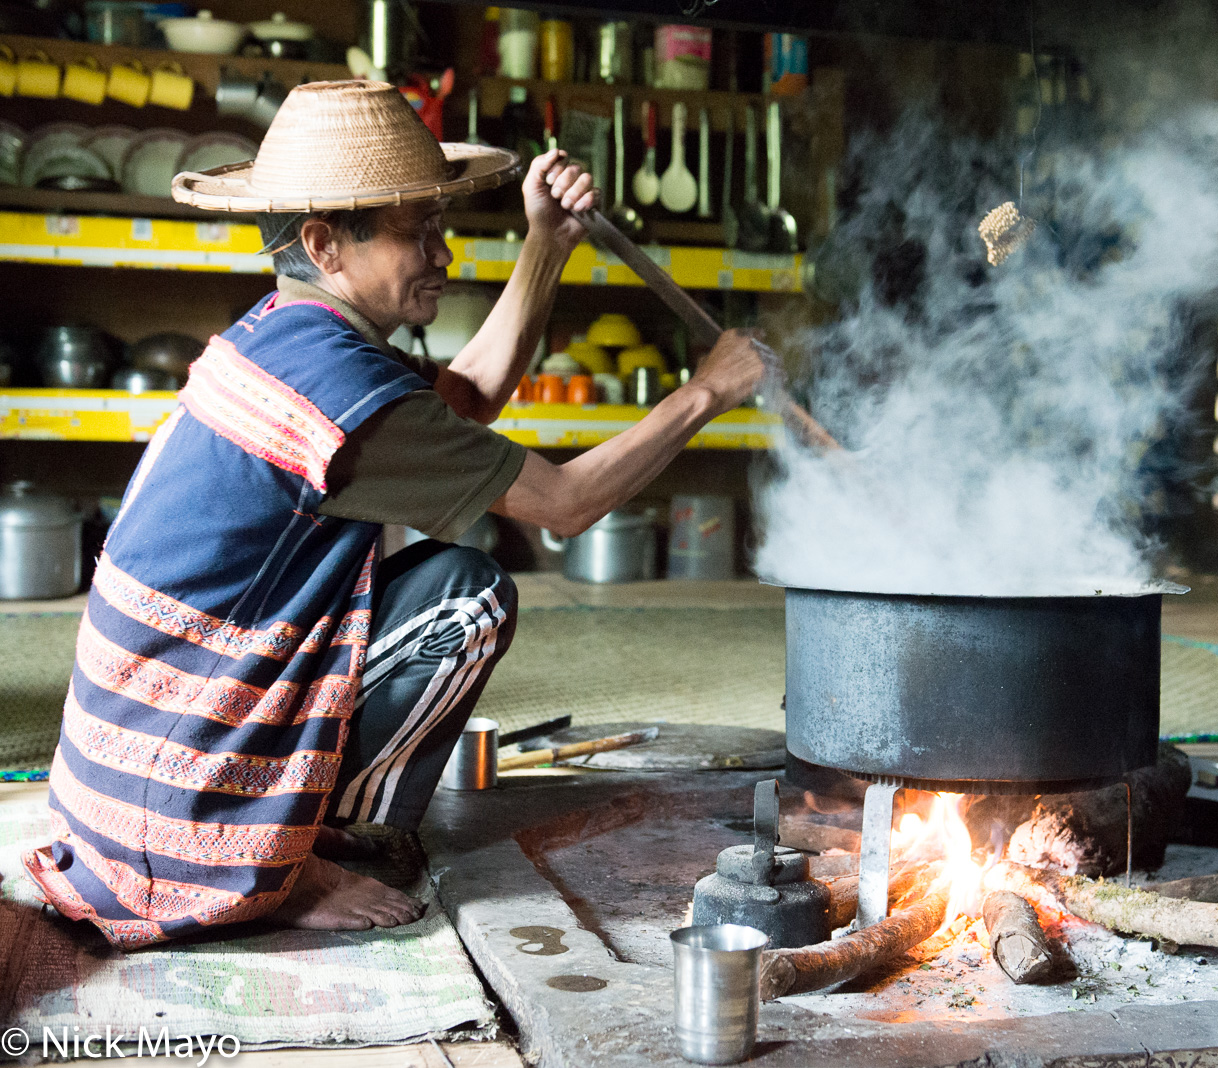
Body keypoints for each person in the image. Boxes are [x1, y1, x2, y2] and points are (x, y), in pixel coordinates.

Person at [23, 81, 765, 948]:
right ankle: (270, 865)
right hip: (171, 794)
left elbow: (467, 397)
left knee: (437, 580)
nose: (441, 255)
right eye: (419, 234)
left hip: (127, 768)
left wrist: (547, 244)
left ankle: (297, 823)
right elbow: (567, 507)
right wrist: (709, 391)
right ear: (325, 244)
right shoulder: (337, 387)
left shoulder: (288, 333)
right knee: (470, 601)